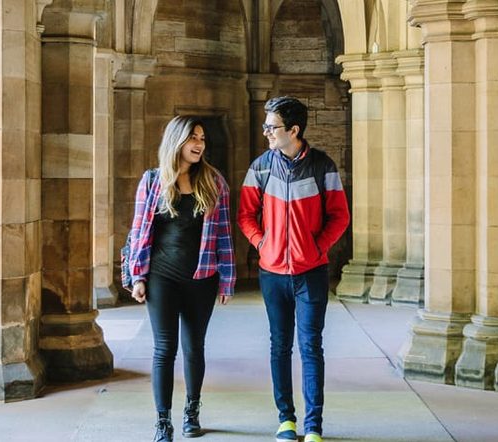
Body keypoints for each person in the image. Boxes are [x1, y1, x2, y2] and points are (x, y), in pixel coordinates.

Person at [238, 96, 350, 442]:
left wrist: (317, 247)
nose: (266, 133)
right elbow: (246, 216)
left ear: (294, 130)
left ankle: (313, 425)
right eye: (266, 126)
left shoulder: (323, 166)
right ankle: (286, 420)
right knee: (279, 345)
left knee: (311, 346)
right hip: (272, 274)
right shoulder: (260, 167)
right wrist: (262, 243)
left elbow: (339, 216)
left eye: (272, 127)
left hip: (311, 272)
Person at [121, 115, 236, 442]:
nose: (199, 144)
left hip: (202, 276)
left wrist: (227, 279)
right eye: (192, 138)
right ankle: (162, 422)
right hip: (162, 277)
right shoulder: (152, 181)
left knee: (193, 347)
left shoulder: (215, 182)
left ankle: (191, 412)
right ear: (177, 141)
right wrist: (138, 276)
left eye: (201, 138)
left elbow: (225, 236)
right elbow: (140, 231)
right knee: (164, 349)